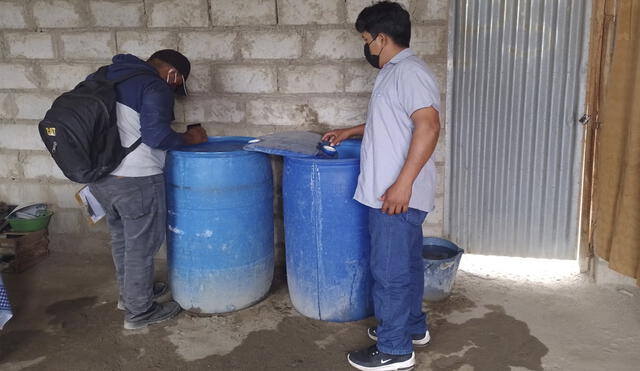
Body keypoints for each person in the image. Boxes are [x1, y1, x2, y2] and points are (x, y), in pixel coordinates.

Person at [323, 2, 441, 370]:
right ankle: (411, 328)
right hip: (394, 193)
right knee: (405, 265)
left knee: (389, 272)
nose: (366, 46)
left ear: (382, 38)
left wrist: (402, 184)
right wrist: (351, 130)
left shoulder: (409, 73)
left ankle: (394, 350)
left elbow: (429, 125)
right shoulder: (393, 73)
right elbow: (392, 120)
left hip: (395, 195)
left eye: (366, 39)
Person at [89, 50, 208, 330]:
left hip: (102, 176)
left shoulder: (105, 76)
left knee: (122, 239)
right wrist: (189, 138)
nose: (175, 88)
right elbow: (157, 136)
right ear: (173, 74)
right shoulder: (155, 85)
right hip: (137, 178)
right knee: (141, 246)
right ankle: (139, 312)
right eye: (177, 83)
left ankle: (129, 296)